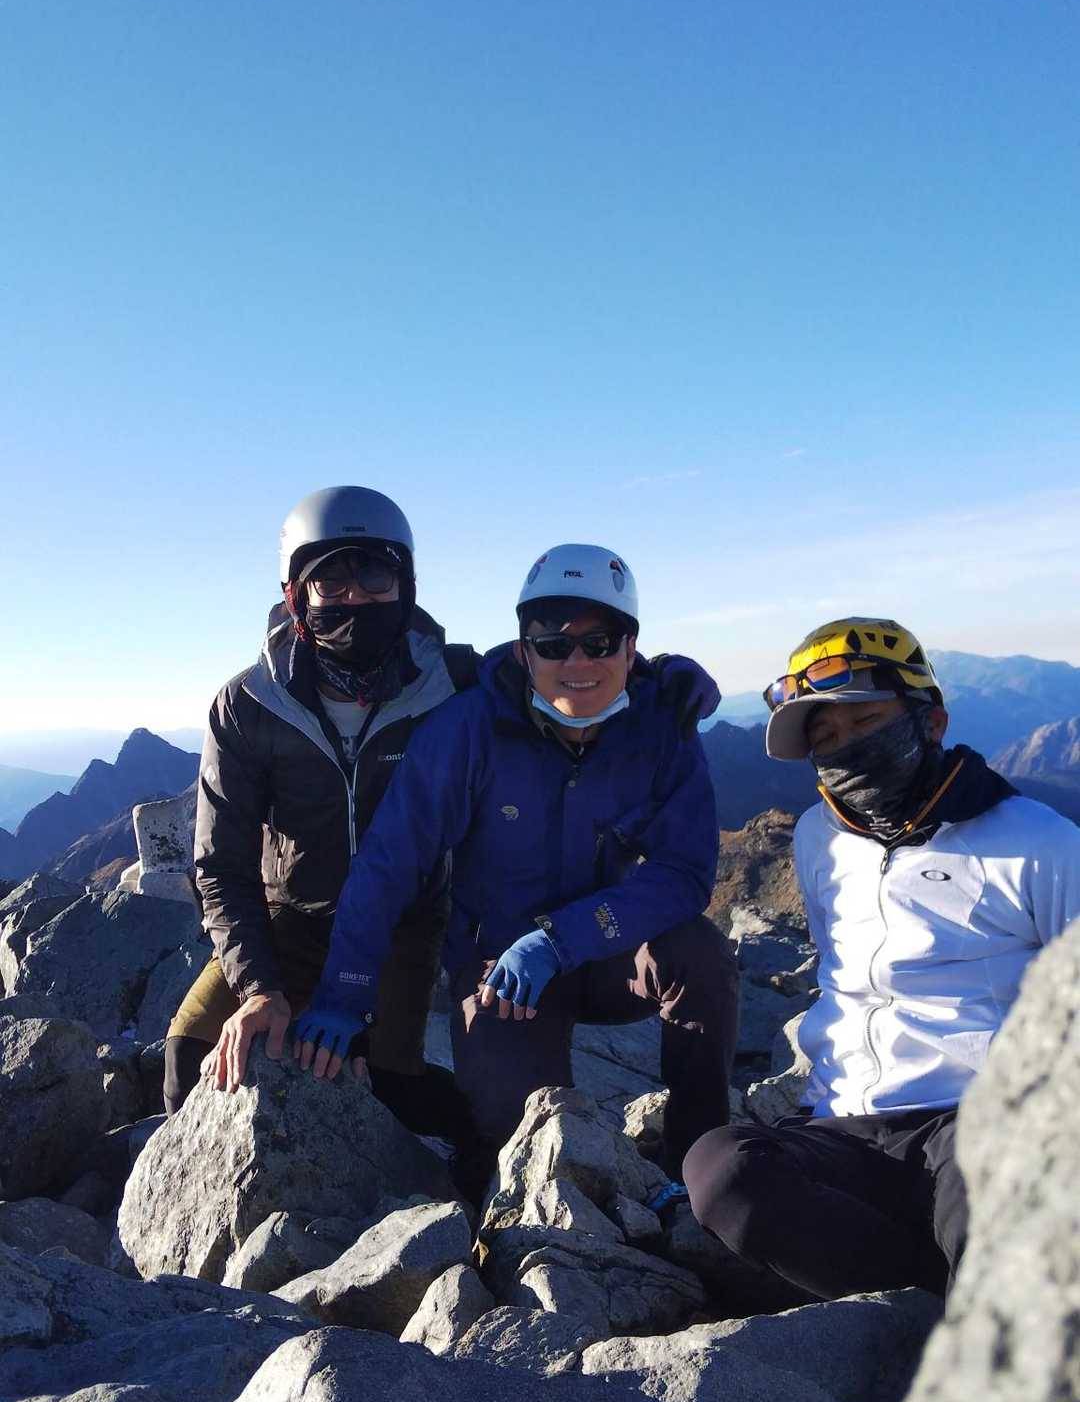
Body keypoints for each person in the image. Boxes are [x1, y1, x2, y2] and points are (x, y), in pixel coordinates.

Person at [293, 543, 736, 1201]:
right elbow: (389, 864)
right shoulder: (469, 730)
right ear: (525, 651)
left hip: (605, 950)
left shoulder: (661, 727)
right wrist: (343, 993)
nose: (577, 663)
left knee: (700, 954)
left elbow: (685, 871)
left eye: (599, 642)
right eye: (553, 645)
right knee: (515, 1139)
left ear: (631, 648)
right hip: (501, 969)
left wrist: (562, 938)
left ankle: (700, 1165)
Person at [683, 616, 1080, 1299]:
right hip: (844, 1122)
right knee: (721, 1172)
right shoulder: (818, 838)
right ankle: (942, 1292)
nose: (846, 746)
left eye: (865, 721)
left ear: (931, 721)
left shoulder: (1038, 844)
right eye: (825, 738)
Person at [163, 484, 478, 1132]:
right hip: (292, 918)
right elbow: (221, 866)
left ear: (406, 586)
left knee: (388, 1090)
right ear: (295, 594)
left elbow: (565, 672)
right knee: (189, 1059)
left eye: (375, 574)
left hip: (406, 921)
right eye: (330, 580)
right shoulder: (250, 706)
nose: (354, 597)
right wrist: (260, 990)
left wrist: (656, 682)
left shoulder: (454, 686)